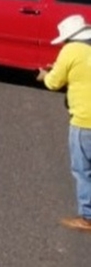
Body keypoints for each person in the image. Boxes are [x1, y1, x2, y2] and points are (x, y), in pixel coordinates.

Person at [41, 14, 91, 232]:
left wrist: (45, 74)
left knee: (82, 170)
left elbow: (54, 83)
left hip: (84, 120)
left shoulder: (71, 51)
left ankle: (88, 217)